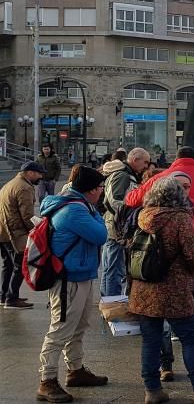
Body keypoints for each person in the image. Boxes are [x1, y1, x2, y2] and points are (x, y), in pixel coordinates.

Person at [129, 178, 194, 404]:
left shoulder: (143, 216)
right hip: (175, 288)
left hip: (144, 289)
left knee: (150, 341)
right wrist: (189, 270)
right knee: (190, 338)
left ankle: (152, 390)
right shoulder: (181, 218)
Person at [123, 146, 194, 341]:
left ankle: (176, 329)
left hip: (170, 238)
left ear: (176, 158)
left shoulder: (165, 176)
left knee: (175, 285)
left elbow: (132, 200)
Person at [36, 166, 108, 403]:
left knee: (79, 326)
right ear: (90, 190)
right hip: (69, 279)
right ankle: (47, 381)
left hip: (80, 274)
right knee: (60, 329)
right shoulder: (74, 211)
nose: (102, 192)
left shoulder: (79, 205)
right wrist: (95, 212)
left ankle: (75, 370)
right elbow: (100, 235)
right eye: (100, 188)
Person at [100, 147, 150, 296]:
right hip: (117, 227)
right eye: (145, 162)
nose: (146, 166)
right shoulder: (122, 175)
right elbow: (114, 200)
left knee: (111, 267)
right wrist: (132, 215)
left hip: (116, 225)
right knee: (114, 269)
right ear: (135, 159)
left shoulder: (126, 174)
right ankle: (112, 303)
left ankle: (108, 302)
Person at [0, 161, 46, 309]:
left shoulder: (10, 184)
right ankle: (11, 299)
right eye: (39, 173)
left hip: (3, 232)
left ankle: (3, 295)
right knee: (19, 265)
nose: (40, 176)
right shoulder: (25, 187)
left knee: (7, 264)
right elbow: (27, 216)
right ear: (30, 173)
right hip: (15, 234)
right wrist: (37, 231)